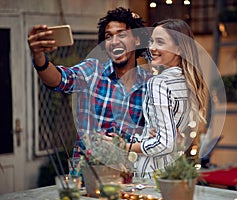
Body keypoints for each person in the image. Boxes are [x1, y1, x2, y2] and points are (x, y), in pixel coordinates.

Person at [27, 7, 151, 159]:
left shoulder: (149, 84)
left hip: (128, 176)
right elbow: (60, 79)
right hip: (87, 174)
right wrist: (39, 57)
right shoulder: (93, 71)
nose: (114, 41)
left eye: (122, 35)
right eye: (108, 36)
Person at [107, 19, 208, 177]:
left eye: (160, 42)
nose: (152, 48)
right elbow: (175, 138)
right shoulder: (188, 81)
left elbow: (164, 143)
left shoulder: (159, 83)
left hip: (151, 172)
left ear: (180, 48)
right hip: (172, 171)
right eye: (152, 41)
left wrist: (123, 146)